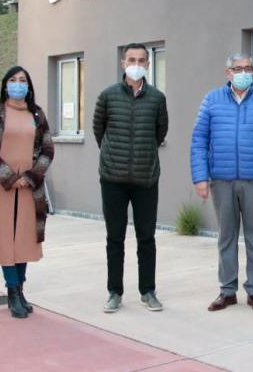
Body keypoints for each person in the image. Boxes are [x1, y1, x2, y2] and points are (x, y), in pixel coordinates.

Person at [190, 53, 253, 313]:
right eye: (237, 68)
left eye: (248, 68)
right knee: (226, 237)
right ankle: (227, 291)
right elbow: (199, 139)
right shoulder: (212, 100)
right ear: (228, 73)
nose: (243, 72)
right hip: (221, 180)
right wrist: (200, 177)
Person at [93, 43, 169, 313]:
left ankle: (148, 291)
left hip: (146, 179)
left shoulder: (157, 98)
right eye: (131, 59)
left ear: (148, 64)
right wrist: (115, 157)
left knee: (146, 238)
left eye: (141, 59)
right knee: (115, 238)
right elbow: (98, 130)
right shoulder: (108, 96)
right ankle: (114, 292)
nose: (136, 63)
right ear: (123, 63)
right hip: (113, 179)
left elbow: (160, 133)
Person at [0, 66, 54, 319]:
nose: (18, 84)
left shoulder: (37, 114)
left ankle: (20, 288)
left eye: (22, 80)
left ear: (29, 87)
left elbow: (47, 149)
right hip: (1, 185)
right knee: (5, 238)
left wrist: (31, 177)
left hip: (30, 187)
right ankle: (12, 291)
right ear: (5, 84)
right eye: (13, 80)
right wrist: (9, 176)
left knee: (24, 238)